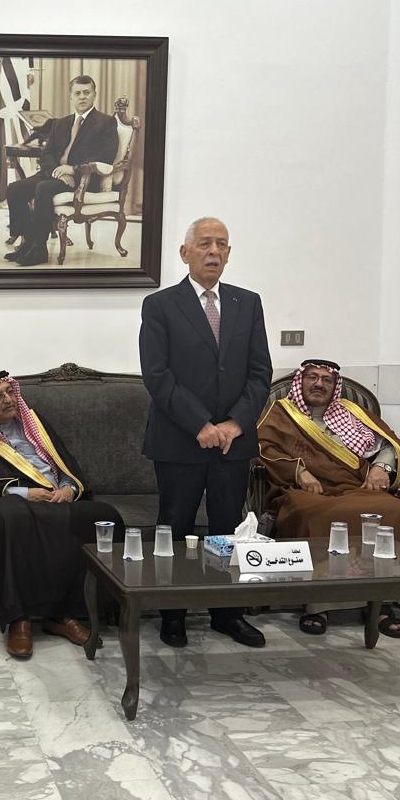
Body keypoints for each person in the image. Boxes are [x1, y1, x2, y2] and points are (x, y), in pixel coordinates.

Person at [139, 217, 272, 648]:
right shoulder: (160, 305)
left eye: (222, 244)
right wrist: (200, 424)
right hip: (180, 439)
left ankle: (226, 613)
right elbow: (157, 375)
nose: (214, 251)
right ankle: (173, 614)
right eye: (204, 244)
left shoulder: (247, 303)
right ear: (185, 253)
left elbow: (260, 373)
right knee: (175, 527)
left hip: (234, 442)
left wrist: (235, 423)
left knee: (227, 529)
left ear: (229, 254)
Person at [0, 370, 124, 659]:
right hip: (4, 501)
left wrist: (68, 488)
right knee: (10, 515)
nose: (8, 400)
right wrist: (25, 493)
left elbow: (65, 462)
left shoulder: (35, 421)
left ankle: (65, 615)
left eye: (10, 392)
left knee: (104, 516)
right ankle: (20, 620)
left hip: (53, 496)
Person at [258, 358, 400, 636]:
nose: (319, 384)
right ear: (300, 381)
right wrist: (300, 472)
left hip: (356, 487)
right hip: (305, 490)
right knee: (319, 516)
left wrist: (382, 468)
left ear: (335, 385)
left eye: (326, 379)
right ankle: (318, 605)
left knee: (394, 510)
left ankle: (381, 602)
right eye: (312, 377)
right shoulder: (281, 412)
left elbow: (389, 443)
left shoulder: (353, 411)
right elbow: (263, 446)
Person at [4, 76, 119, 267]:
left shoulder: (106, 122)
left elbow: (106, 156)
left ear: (94, 95)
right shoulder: (61, 123)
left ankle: (39, 249)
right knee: (14, 188)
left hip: (84, 179)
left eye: (86, 92)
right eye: (77, 93)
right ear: (71, 97)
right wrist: (57, 171)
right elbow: (47, 153)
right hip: (55, 175)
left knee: (43, 188)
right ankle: (27, 242)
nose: (82, 97)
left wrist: (73, 169)